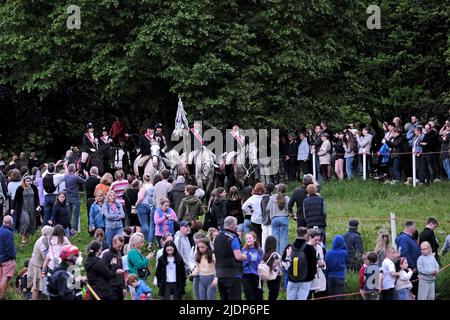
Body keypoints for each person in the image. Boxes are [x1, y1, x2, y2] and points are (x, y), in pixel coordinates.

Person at [215, 216, 246, 300]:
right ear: (232, 225)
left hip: (220, 274)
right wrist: (247, 257)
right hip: (232, 274)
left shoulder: (217, 237)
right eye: (236, 225)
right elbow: (238, 256)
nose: (236, 227)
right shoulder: (233, 238)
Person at [283, 227, 317, 300]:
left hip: (292, 279)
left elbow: (284, 262)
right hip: (306, 280)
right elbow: (313, 267)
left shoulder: (289, 247)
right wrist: (311, 277)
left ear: (297, 234)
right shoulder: (310, 248)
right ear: (306, 235)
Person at [395, 221, 421, 298]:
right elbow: (404, 253)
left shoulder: (408, 238)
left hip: (412, 269)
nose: (415, 229)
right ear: (411, 228)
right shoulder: (404, 238)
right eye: (415, 227)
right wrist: (412, 266)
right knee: (412, 291)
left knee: (414, 290)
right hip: (410, 270)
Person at [13, 175, 40, 245]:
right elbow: (16, 199)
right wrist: (13, 208)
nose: (28, 182)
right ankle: (23, 240)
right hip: (23, 208)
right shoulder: (20, 188)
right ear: (24, 181)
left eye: (30, 181)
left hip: (32, 209)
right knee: (26, 222)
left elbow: (37, 197)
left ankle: (26, 241)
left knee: (30, 224)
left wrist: (38, 205)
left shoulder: (34, 187)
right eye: (27, 181)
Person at [27, 225, 52, 300]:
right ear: (46, 233)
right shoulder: (42, 242)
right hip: (36, 266)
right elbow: (45, 257)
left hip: (39, 265)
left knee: (40, 289)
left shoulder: (45, 240)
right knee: (36, 289)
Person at [101, 235, 126, 300]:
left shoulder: (119, 254)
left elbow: (122, 270)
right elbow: (103, 272)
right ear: (113, 243)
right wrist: (115, 271)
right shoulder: (106, 255)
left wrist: (123, 287)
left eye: (121, 247)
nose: (120, 248)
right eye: (119, 246)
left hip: (119, 288)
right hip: (110, 288)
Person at [268, 183, 290, 254]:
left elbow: (267, 209)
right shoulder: (287, 198)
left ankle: (275, 255)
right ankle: (282, 255)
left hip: (274, 219)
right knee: (284, 238)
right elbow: (289, 209)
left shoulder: (272, 198)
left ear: (277, 190)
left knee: (275, 238)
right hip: (284, 218)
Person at [324, 235, 348, 300]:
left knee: (331, 295)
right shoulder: (344, 253)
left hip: (330, 276)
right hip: (340, 276)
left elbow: (326, 266)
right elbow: (347, 261)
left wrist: (326, 276)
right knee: (340, 294)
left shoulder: (328, 253)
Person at [64, 164, 86, 234]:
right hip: (75, 197)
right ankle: (74, 231)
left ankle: (67, 230)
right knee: (75, 215)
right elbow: (84, 181)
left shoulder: (65, 176)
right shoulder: (76, 177)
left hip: (67, 197)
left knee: (68, 215)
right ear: (74, 169)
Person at [242, 231, 263, 300]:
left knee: (258, 296)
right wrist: (248, 259)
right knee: (249, 296)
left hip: (257, 276)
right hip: (246, 276)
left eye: (250, 238)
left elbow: (261, 263)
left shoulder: (259, 250)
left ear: (254, 239)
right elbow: (241, 264)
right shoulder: (243, 250)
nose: (248, 240)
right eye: (246, 238)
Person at [135, 173, 155, 244]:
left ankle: (146, 239)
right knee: (151, 224)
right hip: (151, 205)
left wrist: (136, 203)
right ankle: (151, 240)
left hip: (143, 205)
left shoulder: (143, 187)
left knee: (144, 224)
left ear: (143, 178)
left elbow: (141, 197)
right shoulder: (153, 186)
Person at [0, 216, 16, 300]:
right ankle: (1, 296)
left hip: (0, 259)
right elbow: (9, 248)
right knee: (6, 278)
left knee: (1, 277)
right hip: (7, 259)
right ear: (10, 223)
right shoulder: (8, 233)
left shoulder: (0, 230)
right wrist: (12, 257)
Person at [262, 235, 282, 301]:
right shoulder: (276, 255)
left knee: (271, 293)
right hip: (276, 277)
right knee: (274, 295)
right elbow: (281, 267)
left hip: (268, 277)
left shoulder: (264, 255)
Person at [308, 229, 327, 299]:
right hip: (309, 278)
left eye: (319, 240)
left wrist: (322, 264)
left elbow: (322, 261)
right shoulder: (306, 248)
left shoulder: (319, 248)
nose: (318, 242)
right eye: (316, 240)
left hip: (319, 276)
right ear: (310, 238)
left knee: (319, 296)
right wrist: (317, 265)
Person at [260, 183, 274, 249]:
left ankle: (264, 251)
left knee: (264, 237)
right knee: (271, 236)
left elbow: (261, 208)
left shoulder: (262, 198)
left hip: (264, 219)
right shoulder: (273, 198)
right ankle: (271, 251)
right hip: (271, 219)